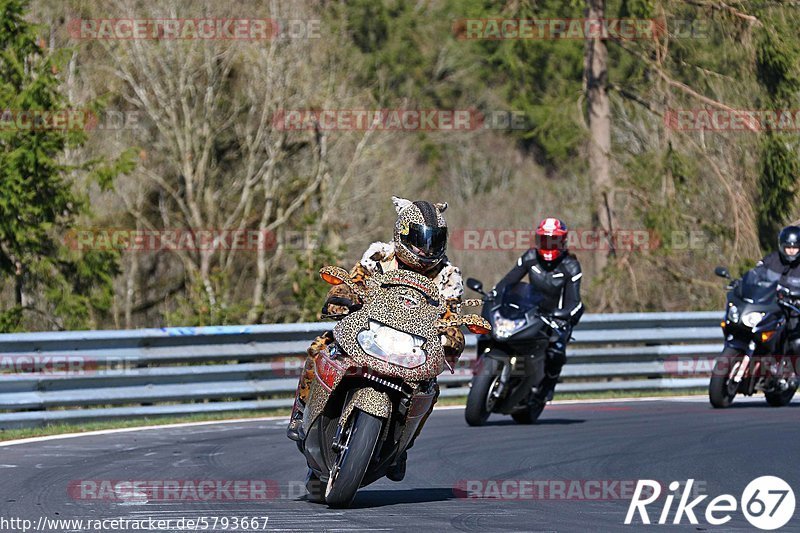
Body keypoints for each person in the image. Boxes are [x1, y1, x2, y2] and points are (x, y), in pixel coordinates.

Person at [286, 196, 465, 480]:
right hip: (368, 331)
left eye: (434, 240)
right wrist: (340, 296)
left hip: (412, 348)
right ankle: (301, 411)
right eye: (420, 239)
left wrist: (452, 338)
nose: (427, 248)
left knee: (430, 388)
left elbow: (452, 317)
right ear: (401, 234)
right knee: (319, 347)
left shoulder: (448, 275)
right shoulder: (379, 255)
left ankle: (402, 447)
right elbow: (353, 282)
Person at [489, 217, 584, 403]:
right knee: (492, 333)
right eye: (544, 240)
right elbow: (509, 281)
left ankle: (547, 387)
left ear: (562, 241)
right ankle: (486, 374)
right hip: (529, 310)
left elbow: (574, 301)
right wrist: (494, 294)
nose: (548, 245)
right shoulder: (530, 257)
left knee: (556, 351)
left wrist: (564, 315)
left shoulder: (571, 266)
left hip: (556, 317)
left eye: (553, 241)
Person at [753, 225, 800, 353]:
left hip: (793, 312)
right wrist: (742, 282)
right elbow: (755, 273)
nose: (791, 251)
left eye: (795, 248)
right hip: (769, 307)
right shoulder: (772, 260)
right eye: (788, 247)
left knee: (796, 343)